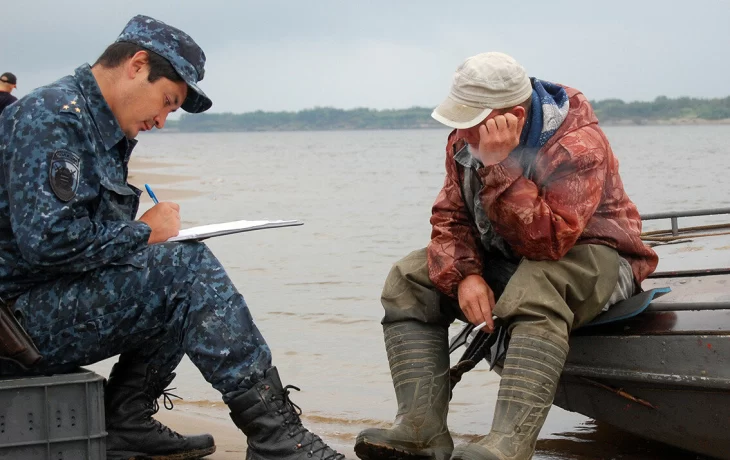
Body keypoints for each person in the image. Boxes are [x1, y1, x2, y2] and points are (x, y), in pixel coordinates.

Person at [0, 15, 350, 460]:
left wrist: (146, 239)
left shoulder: (97, 124)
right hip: (14, 330)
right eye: (167, 101)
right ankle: (278, 439)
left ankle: (126, 421)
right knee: (184, 269)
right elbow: (48, 243)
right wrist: (144, 231)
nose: (163, 120)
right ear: (136, 64)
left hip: (29, 313)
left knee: (175, 264)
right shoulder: (54, 116)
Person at [354, 52, 659, 460]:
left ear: (514, 114)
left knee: (539, 283)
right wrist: (465, 274)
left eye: (472, 122)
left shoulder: (577, 145)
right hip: (516, 258)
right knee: (410, 278)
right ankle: (420, 430)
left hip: (599, 260)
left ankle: (508, 447)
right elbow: (450, 215)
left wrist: (499, 166)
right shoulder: (466, 137)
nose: (463, 134)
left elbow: (548, 244)